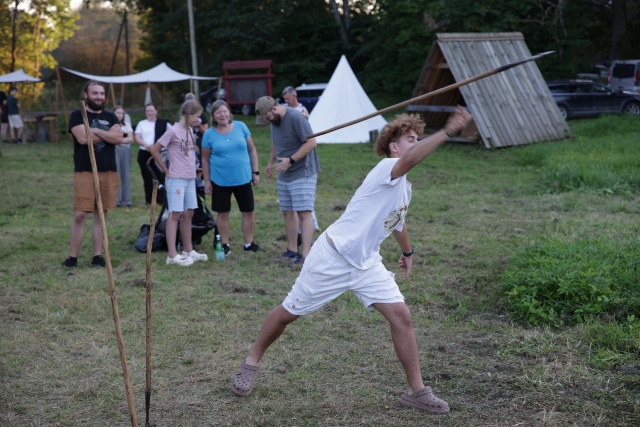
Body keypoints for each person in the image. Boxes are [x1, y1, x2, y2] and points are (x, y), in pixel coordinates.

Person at [230, 109, 473, 415]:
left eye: (417, 139)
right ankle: (251, 361)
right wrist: (447, 131)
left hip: (366, 263)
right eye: (410, 139)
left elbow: (397, 222)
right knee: (289, 312)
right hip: (333, 256)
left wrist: (408, 253)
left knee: (401, 315)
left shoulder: (403, 186)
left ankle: (416, 391)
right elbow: (411, 159)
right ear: (394, 147)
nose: (416, 143)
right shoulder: (387, 168)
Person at [62, 81, 123, 268]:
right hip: (85, 171)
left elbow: (119, 138)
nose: (99, 97)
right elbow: (82, 139)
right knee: (80, 214)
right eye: (95, 93)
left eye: (102, 93)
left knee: (101, 215)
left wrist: (94, 130)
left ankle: (97, 256)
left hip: (108, 171)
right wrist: (107, 133)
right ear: (86, 94)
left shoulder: (111, 116)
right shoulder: (77, 115)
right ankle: (72, 258)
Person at [255, 96, 320, 267]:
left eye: (268, 117)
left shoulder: (296, 118)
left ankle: (306, 256)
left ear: (274, 109)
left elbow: (311, 143)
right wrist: (270, 162)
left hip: (303, 171)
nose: (268, 121)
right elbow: (276, 143)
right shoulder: (275, 121)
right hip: (285, 173)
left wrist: (290, 160)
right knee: (287, 211)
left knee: (303, 212)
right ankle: (292, 250)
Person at [148, 99, 208, 266]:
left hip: (190, 178)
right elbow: (154, 149)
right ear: (188, 115)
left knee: (189, 213)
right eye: (197, 116)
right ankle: (172, 255)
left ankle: (188, 250)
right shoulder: (172, 131)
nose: (199, 119)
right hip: (176, 178)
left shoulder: (190, 130)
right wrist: (166, 170)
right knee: (175, 214)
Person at [201, 100, 261, 255]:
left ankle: (249, 244)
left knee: (248, 211)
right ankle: (225, 244)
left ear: (229, 112)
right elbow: (205, 159)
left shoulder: (241, 126)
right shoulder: (208, 134)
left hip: (243, 178)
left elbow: (252, 150)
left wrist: (255, 172)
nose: (222, 115)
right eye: (218, 112)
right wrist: (207, 181)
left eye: (224, 111)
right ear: (213, 116)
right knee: (223, 213)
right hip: (220, 180)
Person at [134, 103, 171, 204]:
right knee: (147, 176)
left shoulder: (164, 123)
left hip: (160, 153)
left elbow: (172, 134)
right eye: (147, 111)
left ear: (156, 111)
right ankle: (149, 199)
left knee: (159, 176)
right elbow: (137, 137)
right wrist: (145, 144)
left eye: (151, 110)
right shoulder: (141, 123)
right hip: (145, 152)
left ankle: (160, 198)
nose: (150, 113)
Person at [113, 106, 133, 207]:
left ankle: (126, 200)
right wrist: (121, 140)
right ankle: (116, 200)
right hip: (114, 150)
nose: (120, 115)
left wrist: (119, 140)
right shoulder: (110, 125)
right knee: (115, 174)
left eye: (122, 113)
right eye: (118, 113)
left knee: (126, 175)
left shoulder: (126, 125)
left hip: (125, 150)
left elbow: (131, 138)